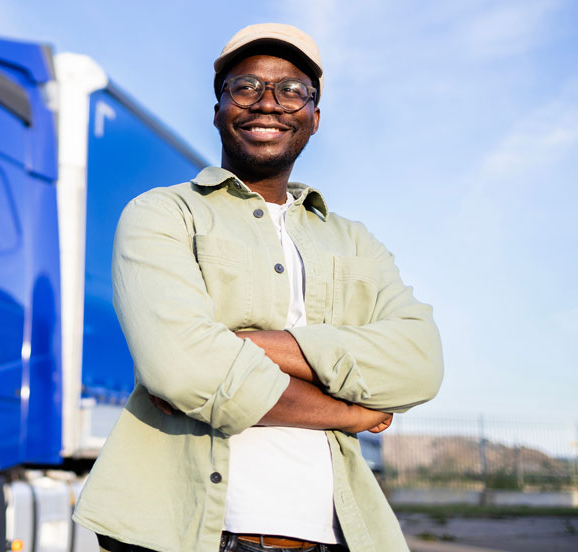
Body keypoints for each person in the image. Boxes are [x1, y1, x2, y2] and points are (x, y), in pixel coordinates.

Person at [72, 23, 443, 552]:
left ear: (313, 118)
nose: (268, 103)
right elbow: (181, 371)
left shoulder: (357, 244)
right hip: (183, 537)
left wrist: (245, 347)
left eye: (292, 90)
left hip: (335, 538)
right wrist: (348, 412)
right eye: (245, 86)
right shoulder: (163, 214)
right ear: (219, 108)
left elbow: (419, 364)